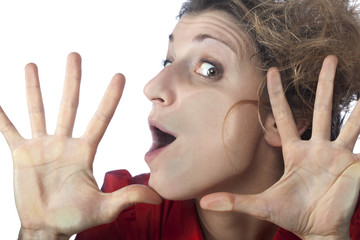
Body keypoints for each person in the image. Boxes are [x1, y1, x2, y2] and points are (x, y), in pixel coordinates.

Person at [1, 0, 360, 239]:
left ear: (284, 118)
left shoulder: (343, 219)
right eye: (167, 61)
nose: (153, 87)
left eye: (208, 68)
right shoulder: (125, 217)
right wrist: (40, 232)